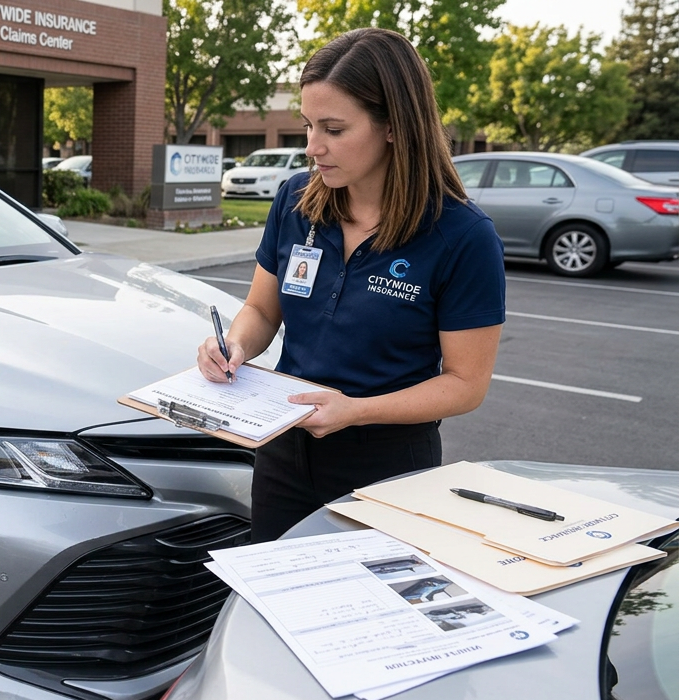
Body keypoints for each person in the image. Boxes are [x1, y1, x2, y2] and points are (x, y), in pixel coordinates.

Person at [197, 28, 506, 543]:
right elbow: (261, 309)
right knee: (277, 602)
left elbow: (465, 384)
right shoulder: (295, 200)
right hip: (284, 448)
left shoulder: (463, 236)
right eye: (308, 125)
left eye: (334, 129)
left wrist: (357, 411)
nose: (313, 147)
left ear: (393, 127)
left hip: (388, 468)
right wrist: (235, 346)